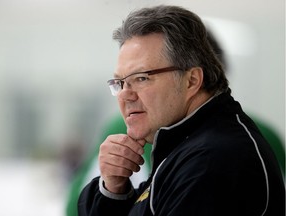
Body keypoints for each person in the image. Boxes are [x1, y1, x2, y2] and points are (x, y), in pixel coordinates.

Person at [78, 5, 285, 215]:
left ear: (191, 80)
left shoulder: (211, 160)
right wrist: (114, 189)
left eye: (141, 78)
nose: (124, 94)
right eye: (120, 82)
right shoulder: (184, 145)